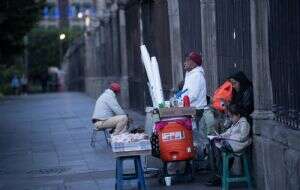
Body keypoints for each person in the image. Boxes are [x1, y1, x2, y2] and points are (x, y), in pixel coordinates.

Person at [206, 104, 252, 186]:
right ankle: (219, 173)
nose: (231, 119)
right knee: (213, 144)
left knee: (216, 146)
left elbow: (243, 137)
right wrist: (220, 136)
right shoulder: (235, 123)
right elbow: (228, 132)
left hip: (237, 146)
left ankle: (220, 174)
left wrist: (229, 137)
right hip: (231, 144)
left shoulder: (244, 123)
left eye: (232, 117)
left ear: (238, 115)